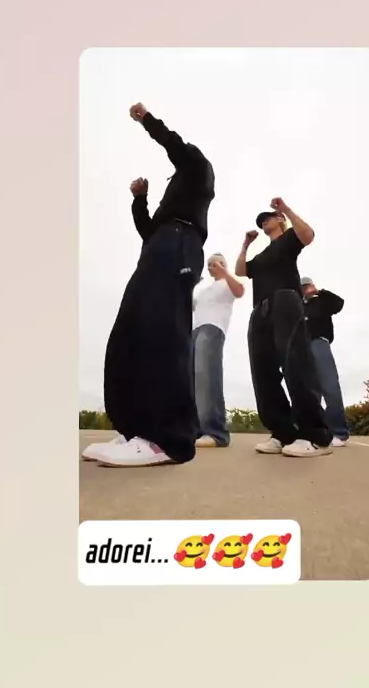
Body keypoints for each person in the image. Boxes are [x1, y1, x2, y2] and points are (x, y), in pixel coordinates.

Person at [82, 102, 215, 467]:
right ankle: (135, 429)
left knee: (163, 331)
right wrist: (140, 200)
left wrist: (147, 120)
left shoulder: (198, 169)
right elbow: (147, 230)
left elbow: (174, 144)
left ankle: (166, 438)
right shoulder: (171, 203)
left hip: (181, 245)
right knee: (131, 331)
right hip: (157, 248)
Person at [235, 198, 333, 458]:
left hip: (286, 300)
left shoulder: (289, 238)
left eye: (267, 218)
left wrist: (285, 210)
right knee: (262, 371)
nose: (263, 222)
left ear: (279, 220)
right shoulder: (260, 256)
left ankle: (315, 435)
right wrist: (246, 244)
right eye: (261, 221)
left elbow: (308, 235)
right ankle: (282, 432)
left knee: (295, 362)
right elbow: (241, 270)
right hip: (260, 309)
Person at [192, 254, 244, 449]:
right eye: (209, 264)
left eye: (215, 263)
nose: (211, 266)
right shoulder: (204, 291)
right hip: (195, 330)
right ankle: (198, 429)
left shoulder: (226, 284)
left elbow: (240, 291)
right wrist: (190, 285)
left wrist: (224, 272)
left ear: (223, 264)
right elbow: (191, 306)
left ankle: (215, 432)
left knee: (207, 376)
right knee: (194, 380)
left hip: (212, 328)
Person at [300, 277, 349, 447]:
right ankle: (317, 431)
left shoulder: (322, 301)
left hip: (320, 343)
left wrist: (320, 292)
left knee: (329, 386)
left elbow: (339, 304)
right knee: (310, 392)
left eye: (307, 286)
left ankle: (339, 432)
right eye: (303, 287)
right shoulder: (300, 307)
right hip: (303, 348)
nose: (305, 290)